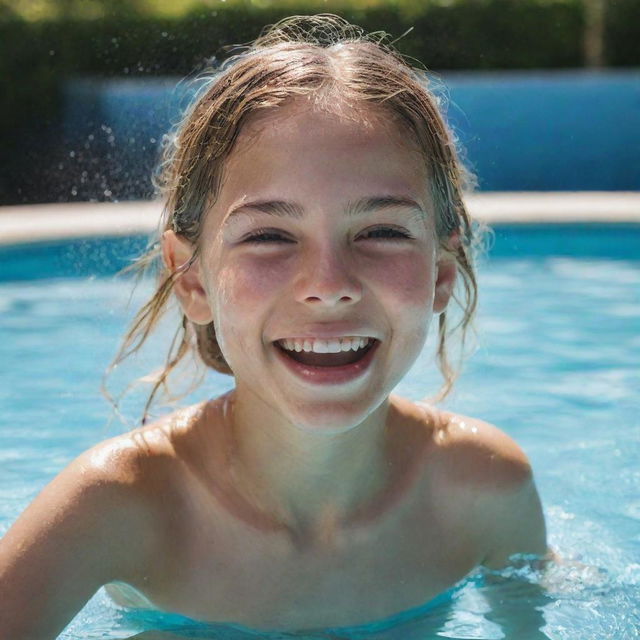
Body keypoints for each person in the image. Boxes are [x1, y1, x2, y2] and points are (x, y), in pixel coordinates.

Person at [0, 14, 548, 639]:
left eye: (381, 232)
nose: (328, 281)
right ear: (193, 280)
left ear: (441, 274)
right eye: (268, 236)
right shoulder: (118, 508)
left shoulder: (483, 489)